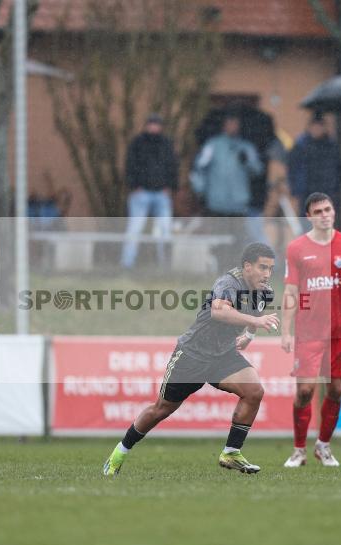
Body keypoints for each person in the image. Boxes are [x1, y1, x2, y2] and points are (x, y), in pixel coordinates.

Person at [102, 242, 280, 476]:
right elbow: (219, 311)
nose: (267, 274)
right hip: (192, 355)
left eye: (270, 269)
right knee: (161, 410)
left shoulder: (263, 291)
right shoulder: (228, 283)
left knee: (254, 391)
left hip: (223, 356)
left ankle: (231, 452)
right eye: (262, 267)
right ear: (247, 266)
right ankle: (119, 453)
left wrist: (249, 334)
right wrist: (255, 323)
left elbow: (255, 312)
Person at [281, 193, 341, 468]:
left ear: (334, 211)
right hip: (308, 332)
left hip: (338, 331)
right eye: (318, 211)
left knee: (336, 389)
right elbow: (291, 291)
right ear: (309, 217)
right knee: (304, 390)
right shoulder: (296, 248)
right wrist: (286, 330)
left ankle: (323, 446)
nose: (324, 214)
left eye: (328, 209)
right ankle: (298, 450)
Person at [191, 114, 264, 269]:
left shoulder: (246, 147)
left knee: (238, 239)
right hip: (217, 203)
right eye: (229, 123)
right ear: (224, 125)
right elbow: (198, 168)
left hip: (238, 203)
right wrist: (201, 191)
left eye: (235, 123)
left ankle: (234, 269)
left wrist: (248, 162)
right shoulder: (213, 145)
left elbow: (258, 170)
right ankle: (219, 267)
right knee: (218, 239)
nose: (232, 126)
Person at [120, 113, 178, 269]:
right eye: (151, 124)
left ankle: (165, 265)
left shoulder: (166, 144)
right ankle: (127, 264)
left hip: (161, 193)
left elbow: (172, 166)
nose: (154, 127)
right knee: (134, 229)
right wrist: (134, 186)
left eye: (157, 124)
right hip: (141, 193)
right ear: (147, 125)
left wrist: (170, 186)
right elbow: (130, 165)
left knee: (164, 230)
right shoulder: (137, 143)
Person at [287, 115, 341, 229]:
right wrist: (295, 189)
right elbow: (293, 169)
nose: (316, 130)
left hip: (327, 192)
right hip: (307, 193)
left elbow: (338, 169)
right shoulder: (301, 146)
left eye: (319, 127)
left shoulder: (331, 146)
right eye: (314, 127)